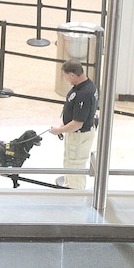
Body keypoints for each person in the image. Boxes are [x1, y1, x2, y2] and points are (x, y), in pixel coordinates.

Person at [49, 59, 98, 190]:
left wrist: (59, 130)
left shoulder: (84, 93)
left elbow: (78, 123)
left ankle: (76, 194)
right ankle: (69, 188)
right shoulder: (85, 86)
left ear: (71, 75)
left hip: (79, 136)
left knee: (76, 165)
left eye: (66, 76)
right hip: (75, 135)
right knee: (70, 162)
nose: (66, 79)